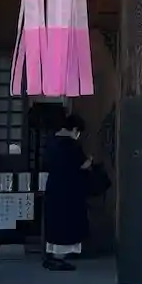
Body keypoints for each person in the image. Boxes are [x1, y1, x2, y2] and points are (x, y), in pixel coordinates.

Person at [41, 112, 92, 271]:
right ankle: (60, 258)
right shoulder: (72, 145)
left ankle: (51, 255)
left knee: (54, 221)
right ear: (75, 129)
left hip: (53, 186)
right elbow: (83, 164)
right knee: (67, 222)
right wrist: (90, 160)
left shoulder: (51, 142)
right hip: (69, 188)